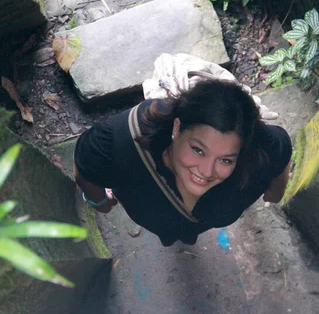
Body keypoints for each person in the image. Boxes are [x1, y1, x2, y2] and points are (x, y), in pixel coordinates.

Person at [74, 79, 292, 247]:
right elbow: (84, 169)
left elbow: (282, 149)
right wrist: (99, 201)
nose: (206, 172)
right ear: (177, 128)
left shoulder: (262, 148)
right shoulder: (113, 143)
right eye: (198, 150)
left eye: (226, 159)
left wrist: (277, 189)